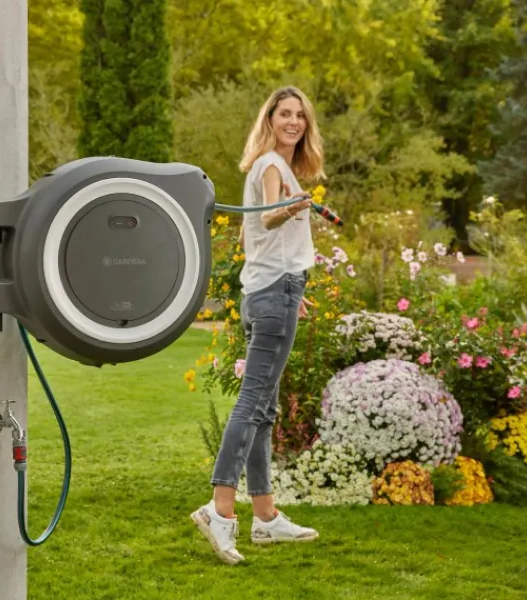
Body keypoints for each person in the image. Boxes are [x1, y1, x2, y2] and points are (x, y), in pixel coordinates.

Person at [191, 86, 326, 564]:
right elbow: (268, 219)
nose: (293, 121)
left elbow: (261, 242)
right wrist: (293, 206)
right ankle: (219, 510)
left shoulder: (274, 167)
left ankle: (265, 517)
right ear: (269, 120)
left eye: (299, 115)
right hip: (273, 294)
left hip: (269, 292)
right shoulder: (271, 166)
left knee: (264, 409)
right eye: (284, 113)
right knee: (252, 403)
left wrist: (291, 292)